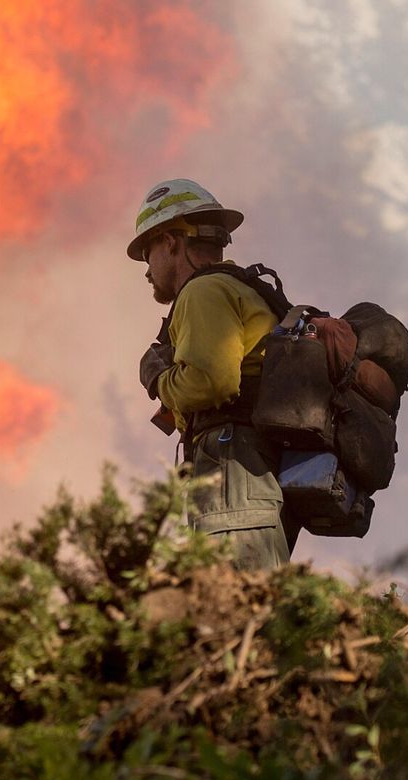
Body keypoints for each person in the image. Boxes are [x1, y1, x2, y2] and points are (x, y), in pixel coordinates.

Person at [130, 178, 295, 569]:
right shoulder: (239, 288)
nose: (147, 271)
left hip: (232, 465)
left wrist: (158, 378)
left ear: (171, 241)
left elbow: (211, 383)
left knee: (236, 596)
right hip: (254, 470)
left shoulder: (203, 292)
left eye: (148, 252)